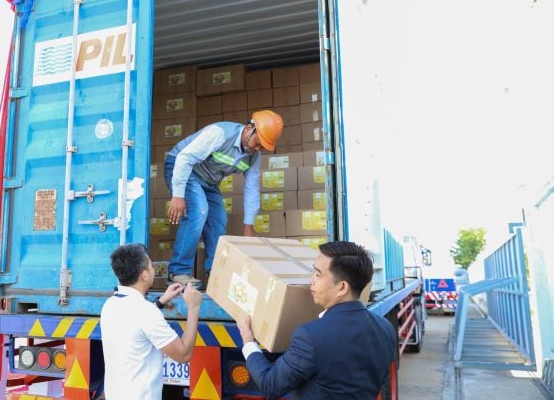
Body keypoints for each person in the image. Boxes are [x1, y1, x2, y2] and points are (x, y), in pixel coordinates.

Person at [236, 241, 397, 399]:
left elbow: (270, 385)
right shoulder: (385, 328)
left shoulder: (310, 336)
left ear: (342, 287)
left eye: (318, 274)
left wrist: (249, 342)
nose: (310, 281)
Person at [165, 110, 284, 287]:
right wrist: (178, 196)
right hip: (182, 168)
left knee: (219, 220)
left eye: (262, 147)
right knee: (199, 210)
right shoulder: (220, 134)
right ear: (248, 129)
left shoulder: (254, 156)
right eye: (258, 142)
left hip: (208, 182)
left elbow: (252, 188)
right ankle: (178, 272)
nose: (257, 149)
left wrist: (248, 225)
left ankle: (216, 272)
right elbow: (184, 158)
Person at [100, 243, 202, 400]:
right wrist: (193, 307)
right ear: (144, 275)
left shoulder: (111, 304)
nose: (153, 269)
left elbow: (135, 319)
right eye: (151, 265)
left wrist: (161, 301)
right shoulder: (146, 312)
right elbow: (183, 354)